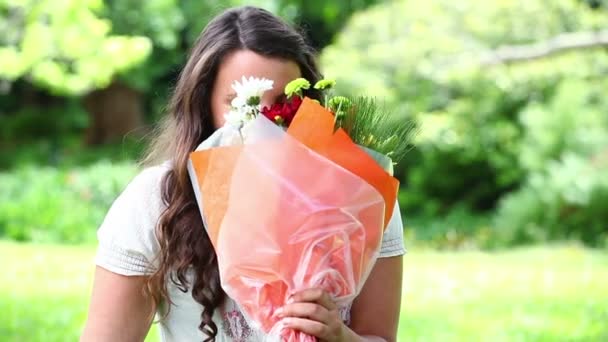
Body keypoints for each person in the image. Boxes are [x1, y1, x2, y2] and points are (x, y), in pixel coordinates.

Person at [81, 6, 405, 342]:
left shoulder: (360, 197)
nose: (266, 124)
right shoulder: (156, 201)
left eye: (283, 102)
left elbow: (378, 335)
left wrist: (339, 336)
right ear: (203, 106)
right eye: (244, 106)